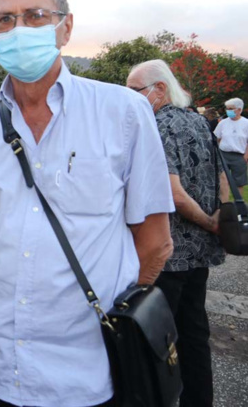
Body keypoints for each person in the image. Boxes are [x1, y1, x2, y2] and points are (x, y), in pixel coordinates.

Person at [0, 0, 174, 407]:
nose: (18, 30)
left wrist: (117, 314)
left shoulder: (123, 113)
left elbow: (155, 242)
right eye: (5, 20)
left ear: (65, 27)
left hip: (87, 368)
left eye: (35, 15)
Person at [128, 59, 226, 407]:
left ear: (160, 90)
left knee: (156, 339)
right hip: (199, 253)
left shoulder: (157, 126)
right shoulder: (201, 122)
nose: (131, 97)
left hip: (167, 253)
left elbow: (172, 193)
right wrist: (216, 220)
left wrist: (208, 221)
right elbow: (221, 179)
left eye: (135, 90)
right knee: (195, 335)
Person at [214, 97, 248, 194]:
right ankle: (224, 204)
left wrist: (246, 155)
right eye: (227, 108)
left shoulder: (246, 123)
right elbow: (217, 138)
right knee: (223, 180)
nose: (228, 111)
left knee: (239, 182)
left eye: (231, 108)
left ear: (239, 110)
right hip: (223, 154)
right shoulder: (223, 123)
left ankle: (238, 205)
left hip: (239, 156)